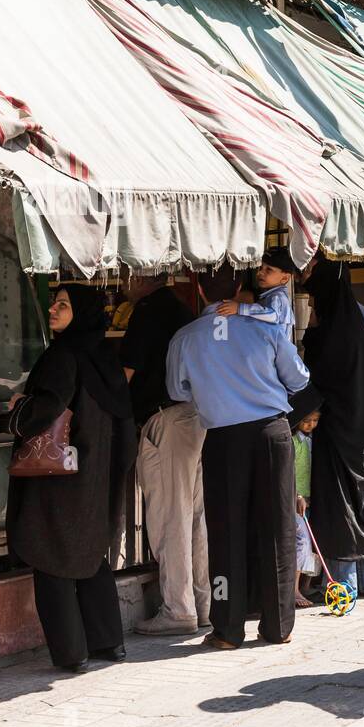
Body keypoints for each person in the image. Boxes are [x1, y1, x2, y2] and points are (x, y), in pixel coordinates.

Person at [166, 264, 309, 650]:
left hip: (223, 438)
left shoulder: (185, 337)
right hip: (270, 432)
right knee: (277, 528)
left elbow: (177, 390)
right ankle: (278, 626)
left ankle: (228, 629)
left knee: (226, 530)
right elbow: (299, 379)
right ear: (243, 287)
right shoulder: (267, 328)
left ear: (197, 287)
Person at [7, 285, 137, 672]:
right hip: (97, 477)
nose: (53, 309)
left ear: (79, 312)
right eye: (54, 302)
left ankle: (72, 653)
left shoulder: (62, 355)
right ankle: (108, 643)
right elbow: (124, 420)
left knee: (51, 555)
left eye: (63, 304)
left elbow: (48, 407)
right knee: (90, 554)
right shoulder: (103, 358)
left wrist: (18, 408)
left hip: (61, 477)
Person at [119, 273, 206, 637]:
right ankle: (203, 604)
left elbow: (125, 373)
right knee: (195, 516)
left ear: (139, 274)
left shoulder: (148, 310)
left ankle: (178, 608)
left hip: (166, 418)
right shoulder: (183, 309)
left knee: (171, 515)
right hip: (195, 415)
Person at [299, 258, 364, 600]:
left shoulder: (330, 333)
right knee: (361, 498)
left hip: (338, 430)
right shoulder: (359, 326)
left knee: (338, 503)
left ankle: (344, 584)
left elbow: (313, 382)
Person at [216, 246, 296, 341]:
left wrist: (239, 308)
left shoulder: (278, 297)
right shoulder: (271, 296)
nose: (260, 273)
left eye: (268, 270)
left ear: (285, 278)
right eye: (260, 268)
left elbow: (272, 314)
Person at [290, 385, 323, 609]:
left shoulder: (311, 441)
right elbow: (288, 472)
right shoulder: (292, 442)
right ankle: (293, 590)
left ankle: (305, 585)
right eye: (306, 421)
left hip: (307, 499)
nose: (311, 425)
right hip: (294, 500)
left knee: (311, 542)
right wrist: (297, 495)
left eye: (315, 420)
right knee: (301, 541)